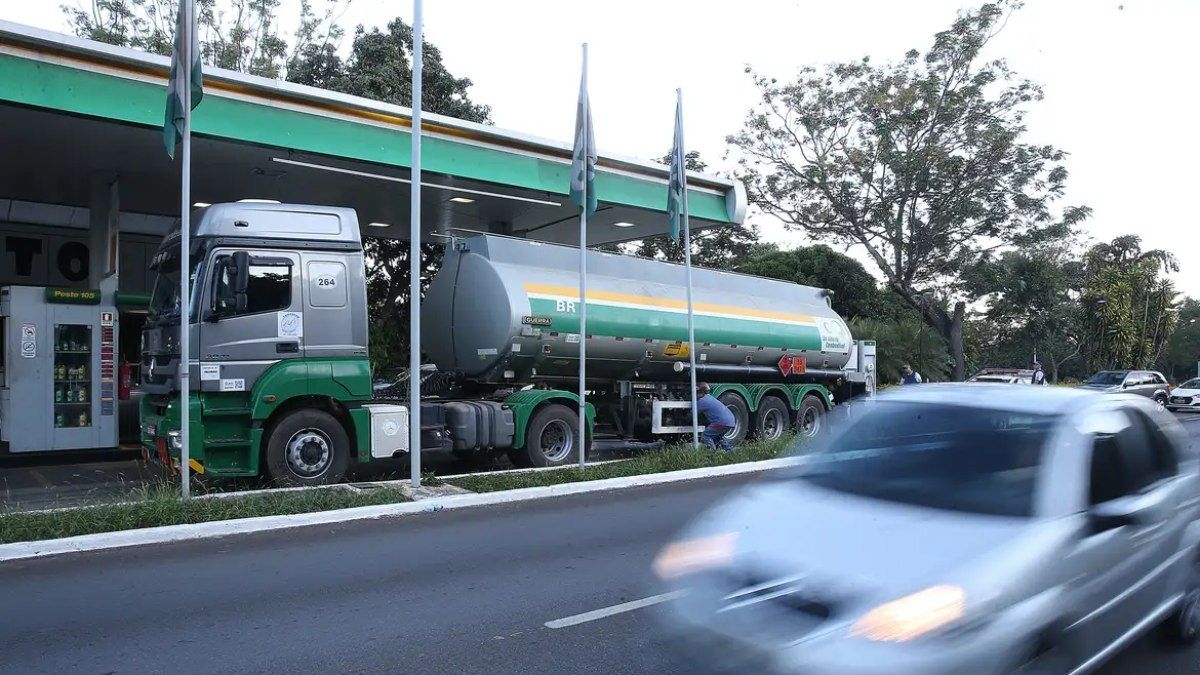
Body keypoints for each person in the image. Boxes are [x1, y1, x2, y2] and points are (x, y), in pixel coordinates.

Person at [695, 383, 735, 451]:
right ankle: (731, 451)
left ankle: (712, 452)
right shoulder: (711, 398)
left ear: (700, 392)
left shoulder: (702, 401)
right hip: (731, 421)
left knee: (706, 435)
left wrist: (683, 417)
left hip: (721, 423)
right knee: (718, 437)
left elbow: (692, 414)